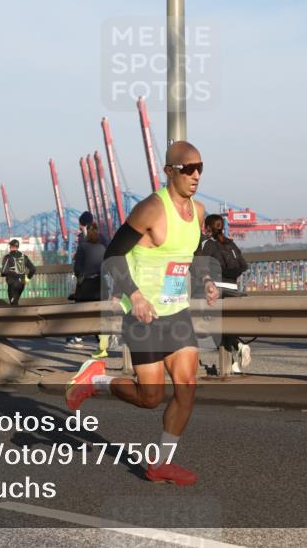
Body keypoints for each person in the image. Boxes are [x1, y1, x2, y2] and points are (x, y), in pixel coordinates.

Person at [66, 140, 219, 486]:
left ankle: (160, 464)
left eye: (200, 168)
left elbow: (190, 255)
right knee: (151, 398)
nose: (195, 175)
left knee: (187, 389)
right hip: (144, 315)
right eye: (188, 169)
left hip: (176, 311)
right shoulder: (150, 209)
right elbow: (113, 256)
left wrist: (206, 279)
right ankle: (97, 380)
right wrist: (134, 295)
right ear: (169, 171)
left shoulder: (197, 212)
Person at [197, 213, 251, 373]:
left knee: (214, 327)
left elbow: (200, 265)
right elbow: (243, 266)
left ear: (207, 228)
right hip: (233, 289)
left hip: (216, 289)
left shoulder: (207, 245)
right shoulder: (231, 244)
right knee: (226, 325)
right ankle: (235, 362)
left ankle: (238, 347)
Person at [73, 221, 109, 358]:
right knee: (101, 314)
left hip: (87, 286)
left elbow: (77, 268)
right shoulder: (102, 247)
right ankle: (102, 345)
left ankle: (78, 335)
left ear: (87, 231)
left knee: (80, 309)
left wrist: (79, 277)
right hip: (101, 285)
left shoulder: (83, 246)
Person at [0, 239, 36, 306]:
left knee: (13, 305)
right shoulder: (24, 257)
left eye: (10, 246)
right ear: (18, 247)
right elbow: (33, 269)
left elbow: (4, 272)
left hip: (12, 284)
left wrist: (1, 274)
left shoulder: (7, 257)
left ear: (11, 247)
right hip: (21, 283)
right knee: (15, 303)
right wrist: (27, 279)